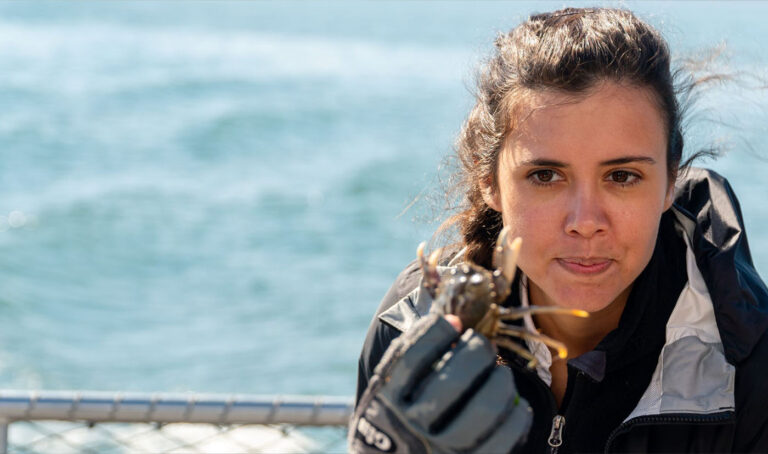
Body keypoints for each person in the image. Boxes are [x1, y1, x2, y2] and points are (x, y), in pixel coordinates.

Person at [350, 7, 768, 453]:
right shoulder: (414, 322)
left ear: (669, 181)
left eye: (622, 176)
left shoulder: (748, 357)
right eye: (546, 176)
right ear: (488, 181)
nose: (586, 222)